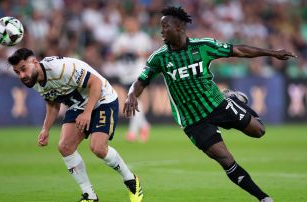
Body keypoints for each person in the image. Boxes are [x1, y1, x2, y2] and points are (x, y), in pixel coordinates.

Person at [123, 6, 297, 202]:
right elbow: (140, 81)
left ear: (179, 27)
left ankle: (231, 99)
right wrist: (131, 95)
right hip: (193, 120)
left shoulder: (203, 46)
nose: (161, 31)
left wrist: (272, 53)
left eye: (165, 26)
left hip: (217, 104)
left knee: (259, 131)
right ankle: (264, 199)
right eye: (160, 27)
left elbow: (237, 50)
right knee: (226, 160)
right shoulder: (159, 58)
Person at [7, 48, 143, 202]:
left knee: (98, 148)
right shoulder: (35, 82)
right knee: (65, 146)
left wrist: (87, 113)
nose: (22, 76)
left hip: (102, 98)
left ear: (35, 63)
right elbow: (53, 104)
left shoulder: (60, 68)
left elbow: (96, 83)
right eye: (17, 72)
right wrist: (46, 129)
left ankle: (131, 181)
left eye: (23, 69)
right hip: (78, 105)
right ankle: (89, 195)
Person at [111, 16, 153, 142]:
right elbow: (113, 56)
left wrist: (139, 54)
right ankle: (144, 126)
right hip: (125, 73)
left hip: (138, 72)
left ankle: (132, 132)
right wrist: (120, 53)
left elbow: (151, 54)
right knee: (133, 100)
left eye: (132, 23)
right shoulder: (120, 39)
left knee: (133, 98)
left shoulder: (143, 38)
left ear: (137, 24)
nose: (130, 26)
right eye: (127, 23)